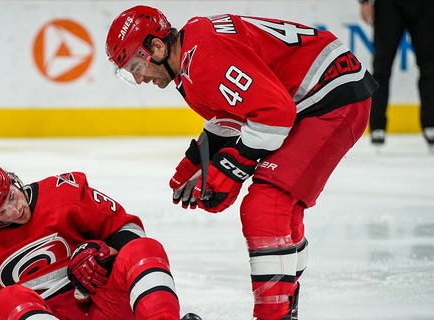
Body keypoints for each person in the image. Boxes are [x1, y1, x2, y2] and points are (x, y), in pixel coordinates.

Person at [105, 6, 377, 320]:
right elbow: (234, 111)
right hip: (317, 95)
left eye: (137, 65)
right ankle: (284, 303)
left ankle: (273, 314)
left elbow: (275, 116)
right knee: (280, 206)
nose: (139, 79)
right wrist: (198, 160)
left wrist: (231, 169)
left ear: (157, 47)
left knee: (266, 203)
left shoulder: (205, 58)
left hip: (331, 97)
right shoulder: (190, 59)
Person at [0, 158, 201, 320]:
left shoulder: (64, 193)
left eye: (11, 196)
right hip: (44, 311)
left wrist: (105, 254)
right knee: (7, 299)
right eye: (0, 214)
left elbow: (131, 230)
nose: (15, 210)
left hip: (105, 308)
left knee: (145, 248)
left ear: (13, 180)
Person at [359, 0, 434, 147]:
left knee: (430, 67)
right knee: (382, 66)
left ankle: (431, 122)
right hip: (389, 5)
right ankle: (377, 126)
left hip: (426, 5)